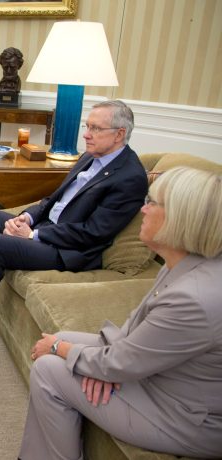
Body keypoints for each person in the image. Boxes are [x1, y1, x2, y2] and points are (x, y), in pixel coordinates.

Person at [21, 167, 222, 459]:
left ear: (179, 219)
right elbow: (136, 328)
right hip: (162, 377)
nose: (142, 209)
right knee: (64, 340)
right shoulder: (184, 262)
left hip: (183, 417)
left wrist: (62, 350)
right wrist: (94, 364)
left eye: (152, 202)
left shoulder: (192, 299)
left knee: (49, 368)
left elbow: (121, 362)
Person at [0, 100, 148, 353]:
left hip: (69, 249)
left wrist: (34, 235)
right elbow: (53, 199)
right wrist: (27, 218)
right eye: (87, 126)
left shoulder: (130, 177)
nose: (86, 134)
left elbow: (93, 232)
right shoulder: (89, 156)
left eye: (95, 128)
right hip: (46, 226)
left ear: (119, 134)